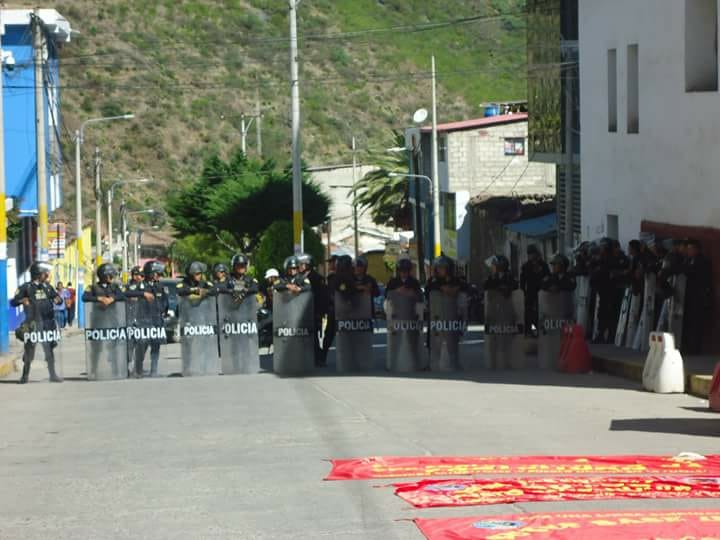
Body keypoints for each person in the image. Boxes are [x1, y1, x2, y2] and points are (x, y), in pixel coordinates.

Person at [11, 262, 64, 383]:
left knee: (49, 350)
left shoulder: (47, 287)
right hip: (32, 324)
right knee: (30, 351)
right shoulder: (26, 287)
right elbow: (13, 302)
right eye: (45, 273)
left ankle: (53, 374)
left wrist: (58, 300)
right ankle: (25, 376)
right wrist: (21, 300)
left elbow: (58, 299)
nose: (47, 275)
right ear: (38, 274)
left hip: (47, 323)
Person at [124, 260, 168, 378]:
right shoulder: (140, 285)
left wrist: (164, 310)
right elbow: (126, 293)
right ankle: (138, 370)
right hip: (143, 320)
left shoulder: (160, 286)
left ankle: (154, 370)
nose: (159, 276)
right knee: (142, 345)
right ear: (151, 273)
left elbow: (165, 301)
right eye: (157, 273)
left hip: (157, 320)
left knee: (156, 345)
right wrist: (142, 294)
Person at [682, 239, 712, 354]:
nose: (688, 251)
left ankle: (694, 349)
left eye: (690, 249)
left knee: (696, 324)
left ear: (696, 249)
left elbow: (697, 276)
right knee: (688, 323)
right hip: (689, 297)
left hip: (698, 297)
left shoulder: (703, 261)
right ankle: (688, 347)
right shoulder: (688, 260)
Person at [299, 253, 328, 366]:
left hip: (315, 310)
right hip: (304, 311)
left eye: (302, 264)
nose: (300, 266)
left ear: (308, 265)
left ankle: (318, 359)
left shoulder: (316, 278)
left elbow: (321, 297)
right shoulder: (301, 277)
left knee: (314, 336)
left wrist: (320, 313)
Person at [520, 245, 549, 336]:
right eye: (530, 254)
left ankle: (542, 329)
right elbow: (523, 281)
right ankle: (531, 330)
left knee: (542, 312)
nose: (531, 256)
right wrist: (523, 293)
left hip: (542, 292)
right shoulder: (526, 266)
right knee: (529, 313)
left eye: (533, 253)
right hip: (530, 292)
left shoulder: (543, 265)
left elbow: (548, 277)